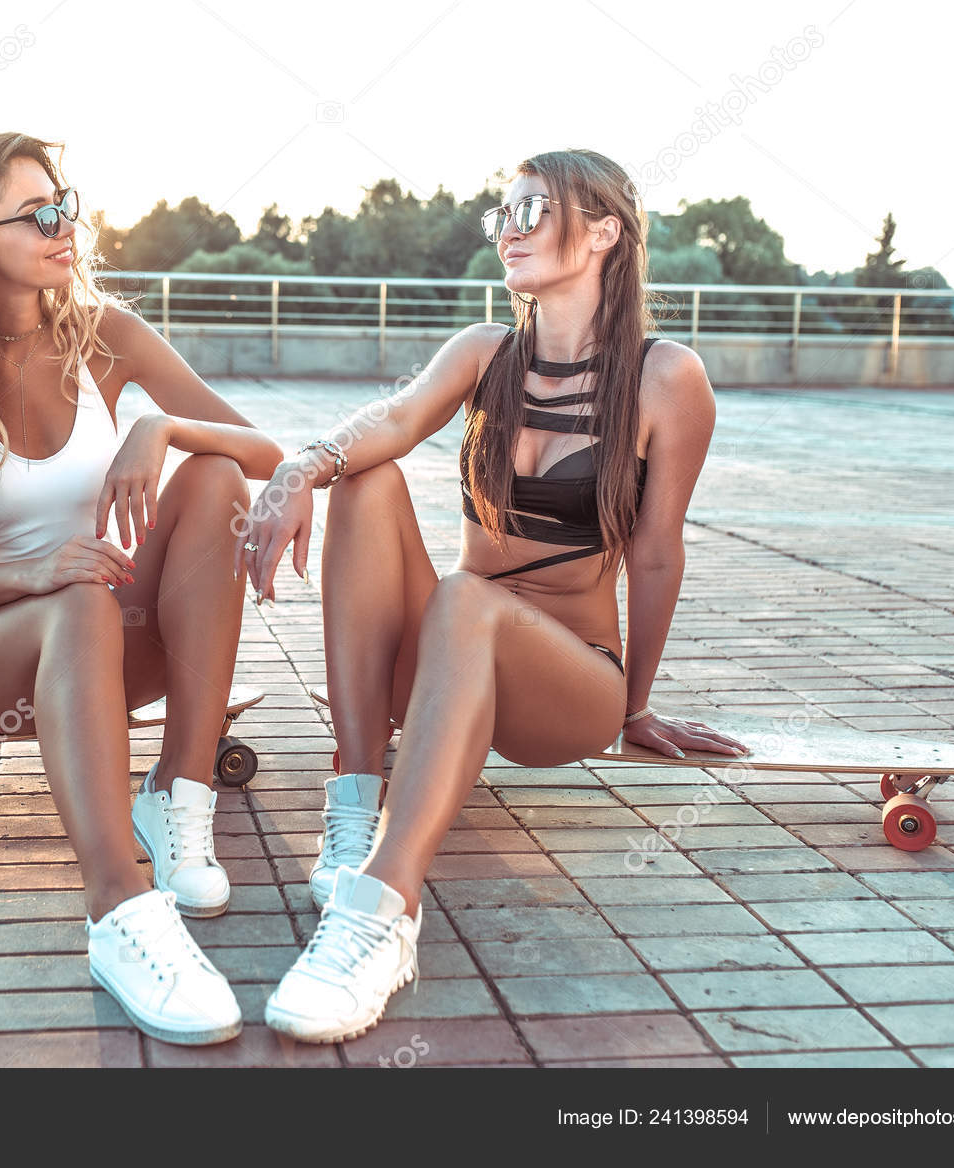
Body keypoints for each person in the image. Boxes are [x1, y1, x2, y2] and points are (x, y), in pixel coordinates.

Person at [234, 148, 750, 1043]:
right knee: (367, 481)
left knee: (465, 598)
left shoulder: (667, 377)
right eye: (501, 214)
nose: (509, 230)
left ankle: (382, 911)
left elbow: (658, 554)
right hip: (450, 667)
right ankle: (354, 799)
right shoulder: (485, 354)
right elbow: (395, 420)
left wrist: (634, 707)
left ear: (603, 233)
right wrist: (301, 467)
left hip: (567, 687)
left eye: (533, 210)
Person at [0, 131, 283, 1045]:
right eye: (38, 215)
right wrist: (40, 572)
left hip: (105, 642)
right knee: (80, 596)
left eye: (66, 207)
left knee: (215, 478)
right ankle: (119, 912)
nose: (66, 227)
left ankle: (178, 793)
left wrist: (160, 429)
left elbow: (266, 454)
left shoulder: (108, 338)